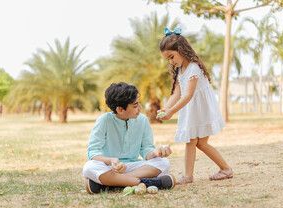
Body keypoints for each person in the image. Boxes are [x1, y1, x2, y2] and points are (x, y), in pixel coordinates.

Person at [157, 27, 233, 185]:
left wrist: (171, 111)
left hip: (201, 110)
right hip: (192, 109)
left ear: (180, 50)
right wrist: (165, 108)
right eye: (168, 59)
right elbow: (176, 94)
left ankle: (225, 169)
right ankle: (188, 176)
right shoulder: (180, 70)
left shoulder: (193, 68)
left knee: (200, 143)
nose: (171, 62)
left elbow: (188, 95)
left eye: (172, 57)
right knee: (191, 141)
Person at [82, 82, 176, 194]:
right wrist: (110, 160)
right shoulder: (104, 120)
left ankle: (113, 183)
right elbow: (93, 152)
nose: (140, 108)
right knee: (89, 167)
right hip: (110, 168)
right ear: (120, 109)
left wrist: (155, 152)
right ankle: (144, 182)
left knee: (163, 162)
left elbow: (146, 149)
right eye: (135, 106)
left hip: (134, 168)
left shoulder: (143, 120)